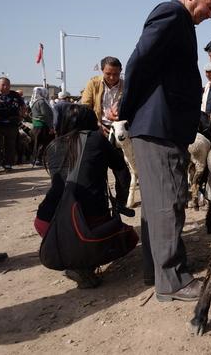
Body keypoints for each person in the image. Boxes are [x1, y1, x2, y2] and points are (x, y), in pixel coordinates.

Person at [118, 0, 211, 302]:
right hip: (159, 126)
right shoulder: (172, 13)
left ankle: (157, 271)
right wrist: (126, 108)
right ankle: (173, 281)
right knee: (168, 202)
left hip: (159, 126)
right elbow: (139, 61)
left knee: (155, 203)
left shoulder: (181, 23)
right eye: (210, 5)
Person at [35, 104, 137, 288]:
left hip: (45, 221)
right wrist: (120, 204)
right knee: (129, 237)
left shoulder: (53, 146)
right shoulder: (97, 139)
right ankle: (83, 265)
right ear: (91, 122)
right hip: (86, 221)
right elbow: (123, 173)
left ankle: (74, 259)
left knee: (74, 235)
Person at [80, 56, 133, 215]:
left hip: (120, 134)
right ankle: (100, 209)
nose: (112, 77)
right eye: (108, 73)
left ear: (120, 72)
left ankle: (120, 205)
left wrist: (120, 117)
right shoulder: (93, 83)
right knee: (97, 175)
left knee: (124, 176)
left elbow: (133, 107)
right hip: (99, 133)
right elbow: (85, 108)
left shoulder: (127, 85)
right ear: (102, 71)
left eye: (116, 74)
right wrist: (97, 125)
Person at [0, 77, 25, 171]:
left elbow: (23, 106)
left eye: (8, 85)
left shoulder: (15, 95)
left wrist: (21, 116)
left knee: (10, 144)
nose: (6, 87)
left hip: (11, 123)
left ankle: (8, 163)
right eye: (3, 84)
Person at [30, 87, 54, 166]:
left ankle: (35, 159)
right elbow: (46, 115)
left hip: (36, 125)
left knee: (37, 143)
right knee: (43, 143)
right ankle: (38, 159)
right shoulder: (42, 102)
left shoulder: (34, 101)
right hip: (43, 125)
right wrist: (51, 126)